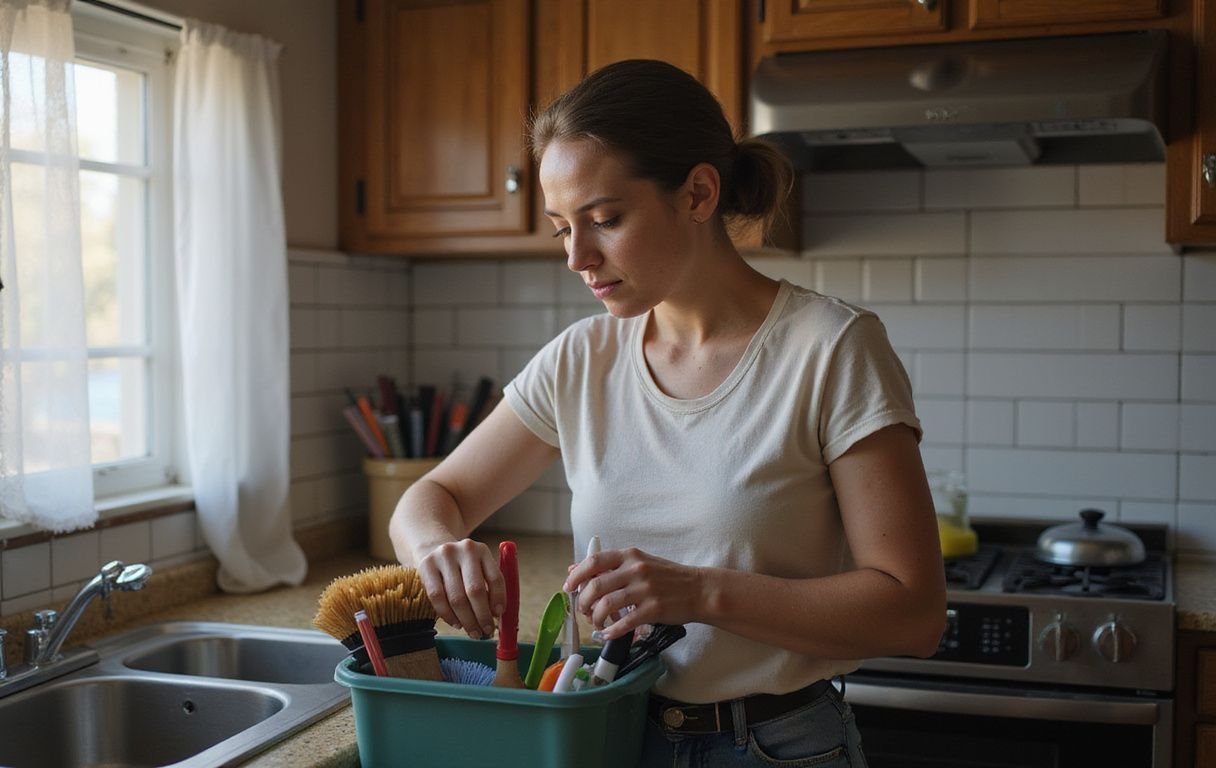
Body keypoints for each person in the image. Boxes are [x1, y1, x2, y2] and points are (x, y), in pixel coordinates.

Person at [389, 58, 946, 767]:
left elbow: (914, 614)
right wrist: (438, 550)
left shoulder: (831, 348)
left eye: (604, 220)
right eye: (563, 228)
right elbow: (433, 496)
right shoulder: (581, 358)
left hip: (775, 746)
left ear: (699, 193)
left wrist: (701, 591)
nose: (577, 257)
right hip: (610, 733)